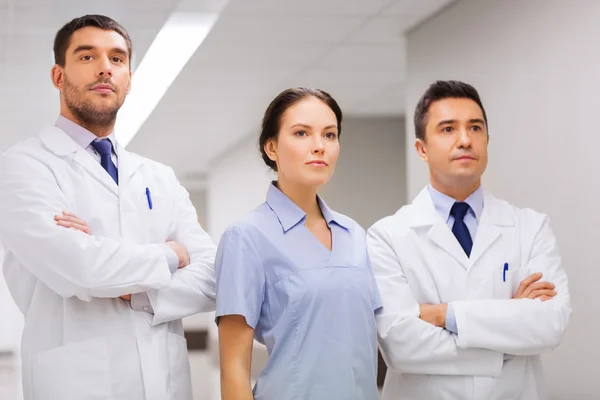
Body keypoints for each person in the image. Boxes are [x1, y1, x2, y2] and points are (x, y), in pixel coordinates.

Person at [0, 15, 217, 400]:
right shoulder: (23, 165)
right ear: (58, 75)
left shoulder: (158, 176)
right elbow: (79, 268)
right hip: (77, 384)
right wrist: (171, 254)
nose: (105, 68)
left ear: (129, 79)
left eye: (117, 59)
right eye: (87, 57)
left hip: (165, 382)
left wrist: (140, 294)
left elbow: (212, 276)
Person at [367, 80, 571, 400]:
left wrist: (442, 314)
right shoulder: (387, 236)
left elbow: (549, 325)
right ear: (422, 149)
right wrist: (506, 335)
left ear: (487, 140)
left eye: (474, 128)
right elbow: (400, 345)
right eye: (448, 129)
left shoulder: (530, 228)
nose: (464, 139)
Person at [215, 87, 382, 400]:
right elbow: (234, 366)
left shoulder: (355, 236)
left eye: (330, 135)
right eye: (302, 133)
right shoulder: (246, 237)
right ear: (272, 147)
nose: (319, 146)